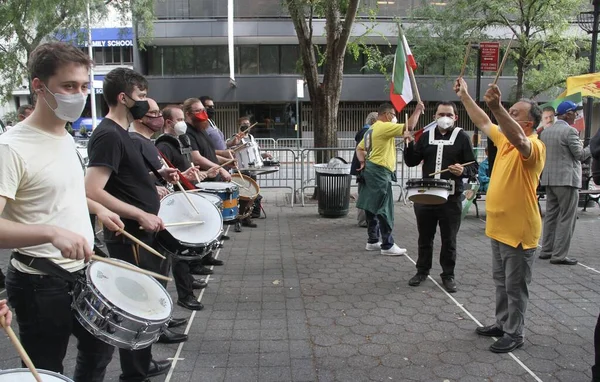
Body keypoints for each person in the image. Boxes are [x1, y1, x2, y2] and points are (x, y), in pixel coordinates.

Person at [0, 42, 126, 381]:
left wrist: (99, 208)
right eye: (69, 86)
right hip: (38, 282)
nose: (79, 94)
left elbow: (62, 193)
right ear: (38, 86)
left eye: (84, 86)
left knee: (100, 351)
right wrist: (51, 233)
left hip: (81, 271)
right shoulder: (11, 148)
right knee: (47, 371)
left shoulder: (65, 135)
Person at [85, 67, 178, 382]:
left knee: (149, 300)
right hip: (130, 236)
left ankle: (143, 363)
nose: (145, 104)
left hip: (144, 233)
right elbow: (92, 190)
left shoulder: (121, 133)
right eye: (140, 97)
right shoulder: (108, 134)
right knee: (138, 305)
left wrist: (157, 178)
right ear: (123, 98)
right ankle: (134, 374)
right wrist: (138, 214)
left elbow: (123, 180)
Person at [455, 77, 545, 353]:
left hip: (519, 232)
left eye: (514, 113)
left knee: (516, 286)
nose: (508, 113)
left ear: (528, 124)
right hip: (498, 228)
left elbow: (518, 137)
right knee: (501, 282)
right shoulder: (504, 139)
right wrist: (466, 97)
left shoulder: (533, 146)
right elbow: (483, 121)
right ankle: (502, 323)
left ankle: (515, 332)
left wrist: (497, 108)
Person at [130, 97, 206, 318]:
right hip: (146, 216)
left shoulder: (149, 142)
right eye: (153, 114)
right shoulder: (137, 141)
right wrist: (153, 186)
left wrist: (171, 176)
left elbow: (149, 175)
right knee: (156, 270)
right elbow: (129, 179)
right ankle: (160, 315)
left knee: (164, 266)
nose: (158, 118)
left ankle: (164, 315)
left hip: (158, 209)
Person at [403, 101, 478, 293]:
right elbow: (411, 162)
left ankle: (448, 275)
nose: (445, 117)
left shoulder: (462, 137)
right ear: (434, 116)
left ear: (455, 117)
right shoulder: (426, 136)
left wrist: (463, 170)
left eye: (449, 114)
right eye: (441, 114)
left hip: (451, 197)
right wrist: (408, 144)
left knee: (449, 239)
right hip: (425, 196)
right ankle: (422, 271)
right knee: (424, 237)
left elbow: (473, 167)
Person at [355, 102, 424, 256]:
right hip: (380, 172)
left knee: (371, 207)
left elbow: (359, 149)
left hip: (370, 170)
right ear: (387, 115)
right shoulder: (383, 127)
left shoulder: (371, 129)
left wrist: (362, 161)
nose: (395, 118)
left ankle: (372, 240)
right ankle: (387, 244)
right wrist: (418, 109)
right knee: (384, 209)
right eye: (394, 115)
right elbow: (409, 126)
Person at [538, 101, 589, 266]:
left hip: (549, 180)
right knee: (567, 217)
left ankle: (546, 250)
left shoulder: (546, 132)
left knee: (551, 216)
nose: (577, 115)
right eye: (575, 112)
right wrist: (592, 147)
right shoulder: (570, 131)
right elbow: (580, 155)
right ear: (567, 114)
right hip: (567, 180)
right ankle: (559, 255)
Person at [183, 98, 232, 181]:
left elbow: (209, 154)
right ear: (188, 114)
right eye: (198, 111)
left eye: (203, 110)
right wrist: (220, 169)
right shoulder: (187, 132)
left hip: (216, 179)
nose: (203, 113)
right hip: (205, 182)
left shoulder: (201, 129)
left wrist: (226, 161)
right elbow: (197, 159)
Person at [351, 112, 378, 228]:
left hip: (361, 167)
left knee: (363, 193)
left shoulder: (364, 132)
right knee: (364, 194)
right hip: (364, 168)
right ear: (373, 122)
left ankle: (364, 219)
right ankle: (363, 220)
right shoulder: (367, 133)